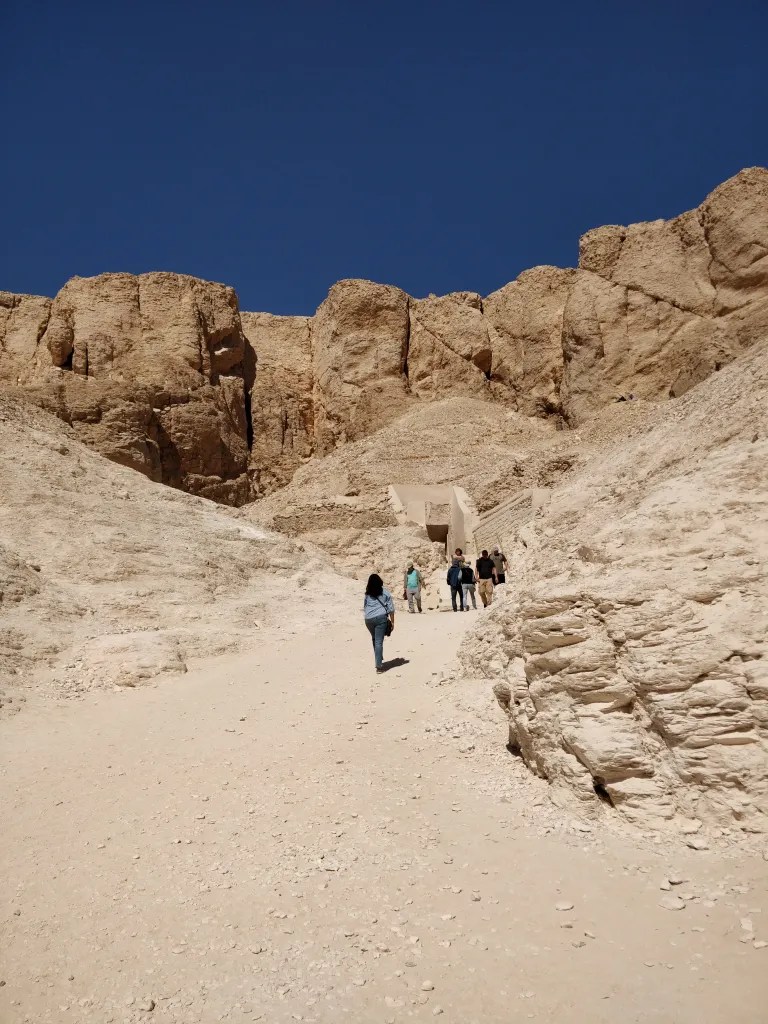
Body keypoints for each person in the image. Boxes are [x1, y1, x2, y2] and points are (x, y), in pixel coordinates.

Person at [363, 573, 395, 673]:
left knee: (374, 639)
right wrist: (393, 622)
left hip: (368, 619)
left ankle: (379, 657)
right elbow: (391, 609)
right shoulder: (385, 593)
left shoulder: (367, 594)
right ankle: (379, 665)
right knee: (378, 641)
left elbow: (365, 606)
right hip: (380, 618)